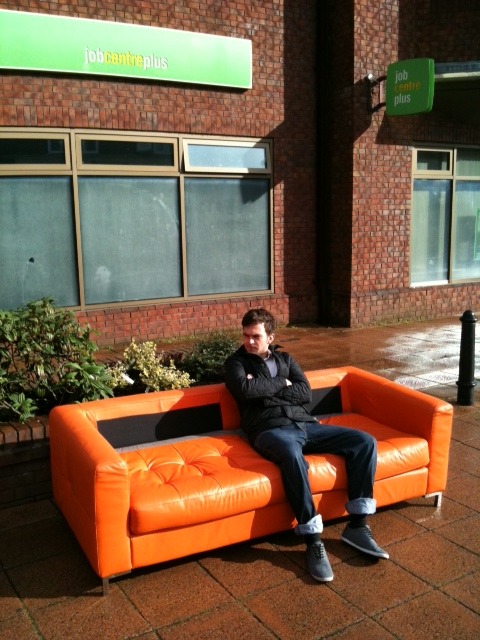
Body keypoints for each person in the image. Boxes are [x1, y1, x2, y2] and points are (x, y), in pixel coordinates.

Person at [224, 308, 389, 583]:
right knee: (291, 454)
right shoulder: (235, 363)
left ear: (270, 337)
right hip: (269, 430)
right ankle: (312, 539)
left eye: (256, 336)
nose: (249, 341)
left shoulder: (286, 358)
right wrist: (282, 382)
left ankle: (358, 525)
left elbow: (304, 392)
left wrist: (265, 389)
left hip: (306, 425)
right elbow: (245, 390)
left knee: (364, 442)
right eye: (246, 335)